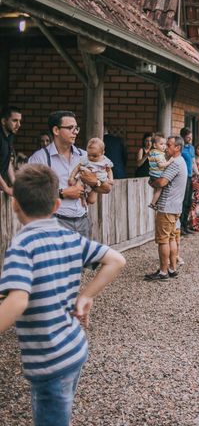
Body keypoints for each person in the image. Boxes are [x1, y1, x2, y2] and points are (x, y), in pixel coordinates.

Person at [0, 163, 125, 426]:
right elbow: (116, 260)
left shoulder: (22, 245)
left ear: (15, 205)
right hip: (74, 347)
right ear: (57, 205)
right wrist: (85, 296)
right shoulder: (70, 238)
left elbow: (17, 300)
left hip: (49, 359)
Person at [29, 110, 112, 238]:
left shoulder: (85, 156)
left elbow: (107, 188)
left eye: (76, 128)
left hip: (83, 222)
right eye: (70, 128)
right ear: (56, 130)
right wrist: (63, 193)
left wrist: (94, 182)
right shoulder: (39, 159)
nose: (75, 131)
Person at [144, 135, 187, 281]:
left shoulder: (174, 163)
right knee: (172, 238)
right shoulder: (181, 161)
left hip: (167, 206)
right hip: (175, 207)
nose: (166, 148)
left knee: (163, 240)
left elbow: (161, 182)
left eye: (169, 145)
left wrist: (152, 181)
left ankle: (163, 272)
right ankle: (172, 269)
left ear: (177, 148)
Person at [68, 137, 114, 205]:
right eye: (89, 155)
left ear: (102, 153)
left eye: (94, 156)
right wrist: (72, 177)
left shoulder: (105, 161)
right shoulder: (86, 159)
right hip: (83, 179)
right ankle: (82, 198)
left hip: (98, 181)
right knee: (76, 186)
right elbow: (77, 167)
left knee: (92, 200)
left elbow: (109, 171)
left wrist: (111, 180)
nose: (91, 157)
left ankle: (86, 201)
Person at [147, 133, 175, 209]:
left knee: (156, 190)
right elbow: (160, 165)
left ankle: (154, 202)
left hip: (153, 175)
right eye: (161, 144)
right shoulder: (158, 154)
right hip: (157, 176)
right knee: (159, 189)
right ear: (155, 145)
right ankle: (153, 203)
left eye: (165, 144)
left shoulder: (153, 152)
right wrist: (169, 162)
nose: (164, 146)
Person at [0, 106, 22, 196]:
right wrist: (6, 188)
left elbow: (7, 160)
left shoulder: (10, 135)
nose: (19, 125)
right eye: (15, 121)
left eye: (20, 121)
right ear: (3, 121)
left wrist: (14, 183)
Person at [180, 127, 197, 236]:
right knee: (183, 201)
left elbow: (194, 162)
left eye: (191, 136)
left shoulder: (191, 148)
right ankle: (180, 227)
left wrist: (198, 174)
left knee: (188, 202)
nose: (190, 138)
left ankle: (185, 226)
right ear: (183, 137)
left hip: (190, 177)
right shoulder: (180, 148)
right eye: (188, 136)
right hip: (183, 177)